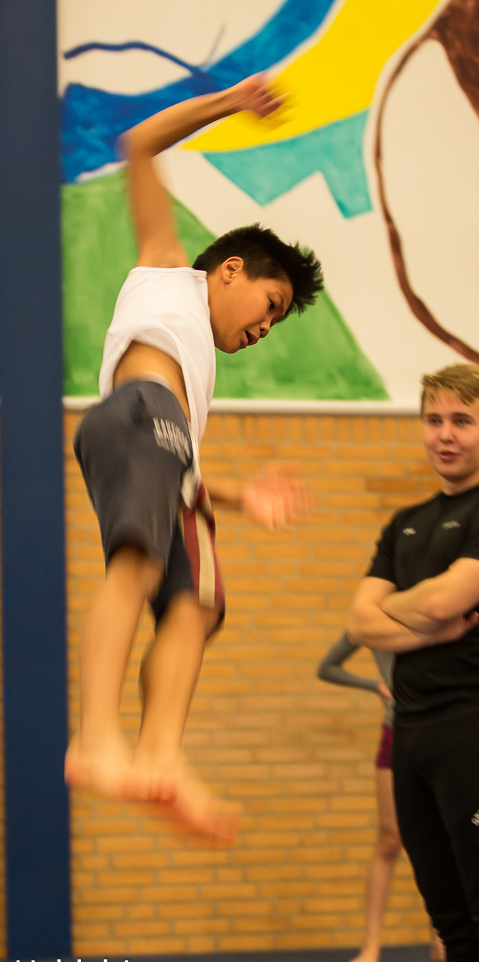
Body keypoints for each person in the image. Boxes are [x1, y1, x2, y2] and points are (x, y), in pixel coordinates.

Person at [65, 75, 323, 843]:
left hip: (164, 439)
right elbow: (139, 144)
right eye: (270, 306)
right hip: (137, 415)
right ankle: (96, 737)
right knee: (138, 567)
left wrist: (242, 497)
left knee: (198, 600)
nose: (265, 328)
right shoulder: (167, 266)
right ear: (230, 270)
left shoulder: (192, 380)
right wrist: (228, 103)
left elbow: (175, 466)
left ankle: (160, 757)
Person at [348, 363, 479, 962]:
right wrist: (426, 623)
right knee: (450, 918)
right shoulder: (406, 522)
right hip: (413, 732)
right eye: (434, 421)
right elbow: (359, 624)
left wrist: (404, 610)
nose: (445, 435)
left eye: (462, 420)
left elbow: (443, 601)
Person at [317, 633, 445, 962]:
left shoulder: (437, 612)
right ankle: (371, 943)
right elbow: (327, 667)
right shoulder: (372, 619)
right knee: (390, 838)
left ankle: (442, 936)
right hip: (398, 729)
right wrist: (374, 685)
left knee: (441, 837)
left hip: (441, 727)